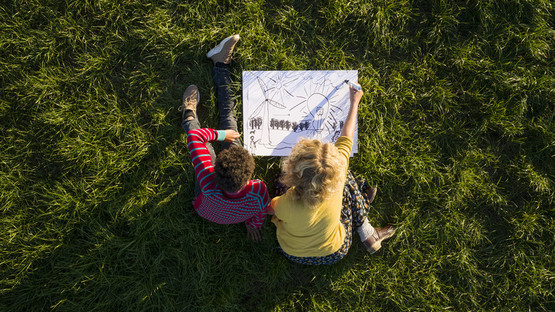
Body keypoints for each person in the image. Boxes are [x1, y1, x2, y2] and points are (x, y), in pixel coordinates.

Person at [270, 84, 395, 265]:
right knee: (346, 178)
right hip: (335, 251)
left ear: (294, 172)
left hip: (293, 254)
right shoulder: (337, 178)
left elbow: (270, 209)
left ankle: (367, 229)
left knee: (277, 181)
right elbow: (346, 137)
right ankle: (366, 230)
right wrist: (354, 103)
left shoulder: (286, 203)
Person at [181, 35, 270, 241]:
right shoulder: (258, 190)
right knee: (229, 119)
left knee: (203, 128)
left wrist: (222, 135)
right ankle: (220, 63)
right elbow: (261, 210)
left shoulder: (206, 175)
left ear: (215, 166)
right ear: (249, 179)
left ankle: (188, 113)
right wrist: (252, 224)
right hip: (223, 214)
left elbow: (196, 137)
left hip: (203, 202)